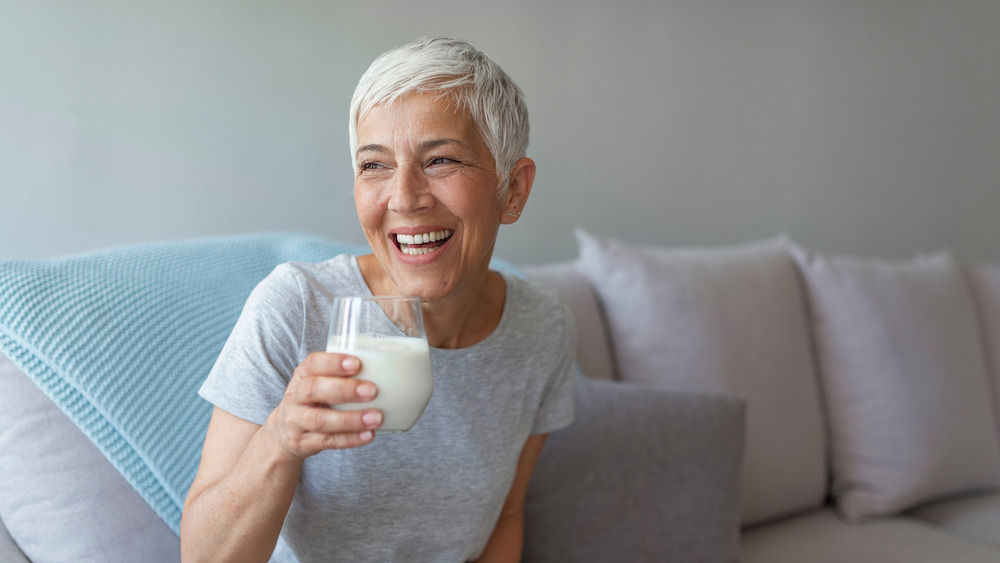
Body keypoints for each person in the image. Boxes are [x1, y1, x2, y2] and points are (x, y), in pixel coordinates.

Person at [180, 37, 576, 562]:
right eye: (375, 165)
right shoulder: (298, 306)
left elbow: (504, 516)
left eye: (441, 160)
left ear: (514, 190)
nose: (405, 196)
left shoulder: (542, 326)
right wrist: (281, 439)